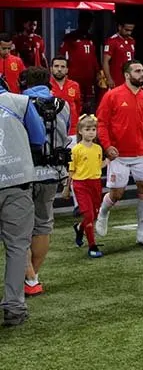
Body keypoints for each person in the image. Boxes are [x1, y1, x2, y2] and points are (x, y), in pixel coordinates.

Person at [95, 60, 143, 247]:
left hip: (142, 153)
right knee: (117, 194)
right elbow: (102, 123)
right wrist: (107, 146)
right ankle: (103, 213)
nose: (142, 74)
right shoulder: (112, 96)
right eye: (137, 71)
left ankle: (142, 233)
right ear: (127, 75)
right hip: (119, 155)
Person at [21, 66, 72, 297]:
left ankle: (29, 276)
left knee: (16, 227)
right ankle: (33, 278)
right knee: (42, 225)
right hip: (52, 172)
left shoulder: (18, 102)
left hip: (22, 174)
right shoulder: (64, 105)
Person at [0, 78, 45, 327]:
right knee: (17, 247)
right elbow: (38, 140)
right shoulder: (20, 102)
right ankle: (14, 308)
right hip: (17, 183)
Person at [70, 115, 104, 259]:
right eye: (88, 129)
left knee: (95, 214)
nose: (91, 132)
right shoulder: (76, 149)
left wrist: (108, 161)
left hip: (95, 183)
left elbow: (97, 165)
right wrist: (66, 187)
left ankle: (80, 228)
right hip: (81, 184)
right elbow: (72, 169)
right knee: (88, 214)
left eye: (93, 129)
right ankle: (92, 246)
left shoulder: (98, 149)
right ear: (80, 131)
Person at [49, 57, 82, 138]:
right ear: (51, 69)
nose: (59, 69)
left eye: (63, 67)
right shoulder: (46, 85)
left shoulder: (75, 85)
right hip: (53, 131)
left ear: (67, 70)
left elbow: (78, 107)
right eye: (56, 66)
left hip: (72, 132)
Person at [101, 20, 135, 89]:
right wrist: (109, 78)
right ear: (120, 27)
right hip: (116, 79)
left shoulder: (132, 41)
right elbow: (105, 61)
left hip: (129, 79)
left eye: (131, 31)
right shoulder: (112, 41)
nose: (129, 33)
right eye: (127, 30)